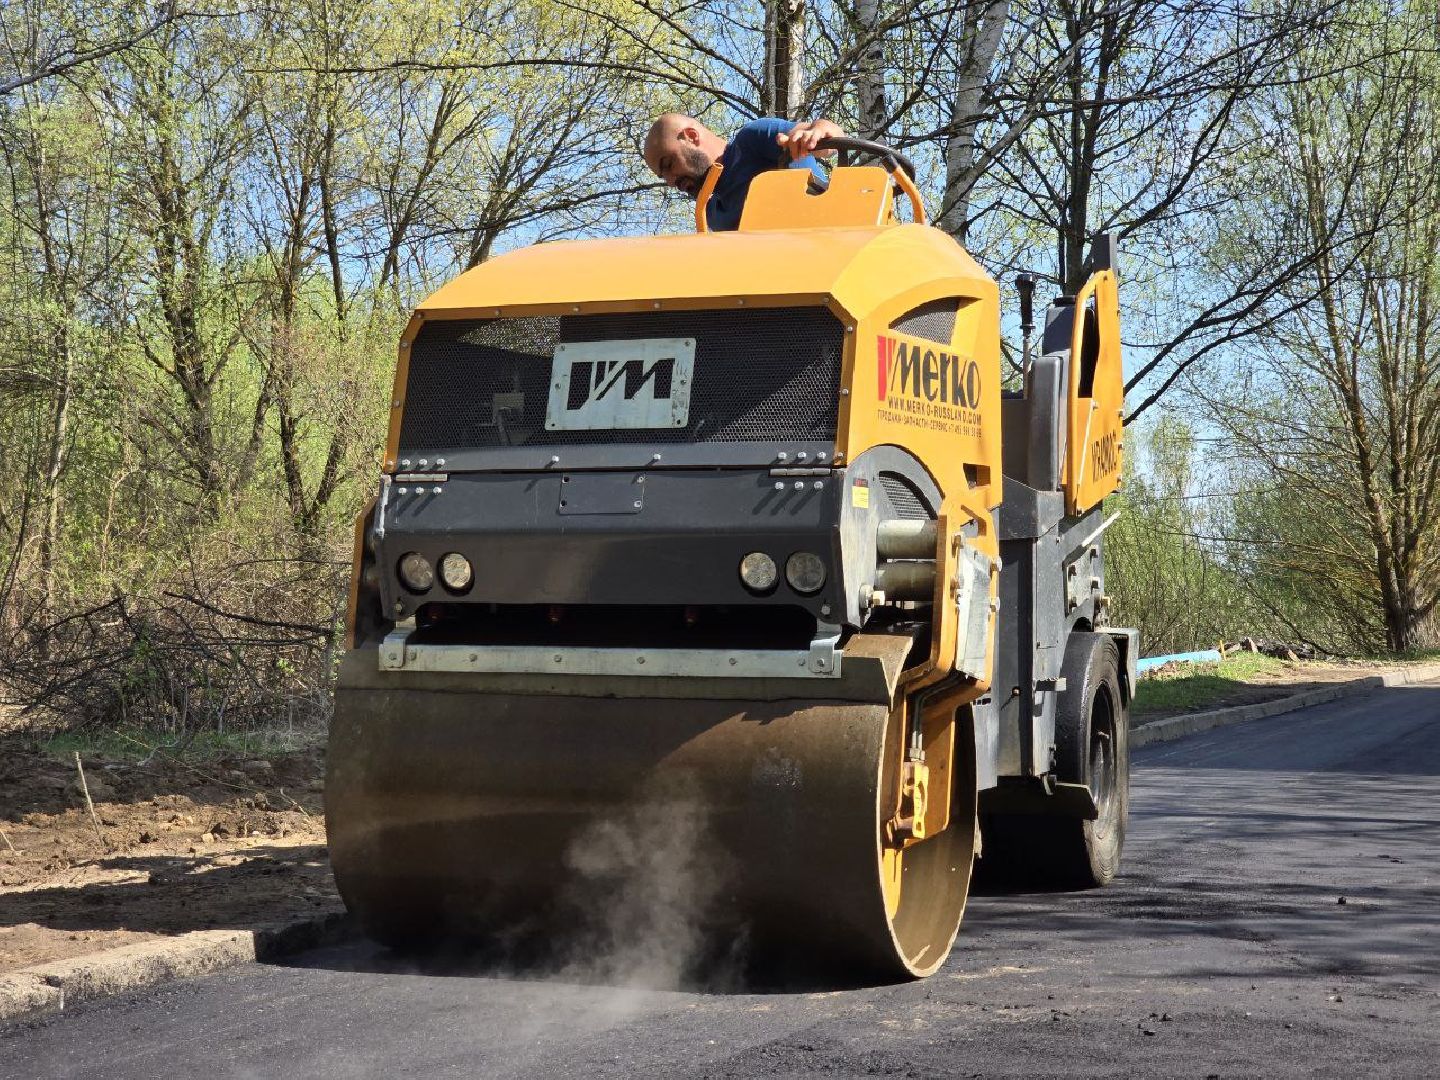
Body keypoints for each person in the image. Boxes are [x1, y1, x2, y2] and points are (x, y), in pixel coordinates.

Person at [643, 113, 846, 231]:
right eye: (663, 176)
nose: (671, 181)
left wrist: (814, 136)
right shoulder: (711, 214)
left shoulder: (751, 140)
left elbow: (820, 134)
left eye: (668, 164)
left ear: (691, 136)